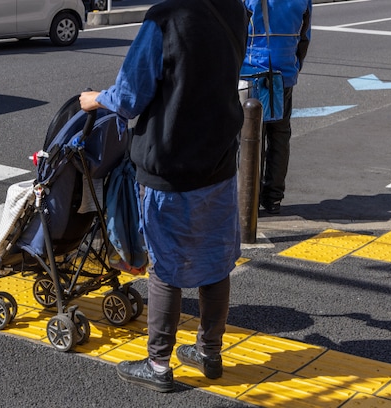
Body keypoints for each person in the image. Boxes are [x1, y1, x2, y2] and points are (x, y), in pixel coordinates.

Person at [79, 0, 247, 393]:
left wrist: (94, 98)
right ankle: (209, 351)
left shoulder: (165, 18)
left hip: (169, 164)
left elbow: (128, 98)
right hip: (219, 160)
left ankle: (157, 365)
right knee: (216, 260)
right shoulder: (236, 9)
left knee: (166, 266)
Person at [242, 0, 312, 214]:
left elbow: (236, 34)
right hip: (283, 75)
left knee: (249, 138)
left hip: (251, 73)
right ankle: (273, 199)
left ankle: (248, 199)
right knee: (279, 136)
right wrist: (294, 67)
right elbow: (304, 38)